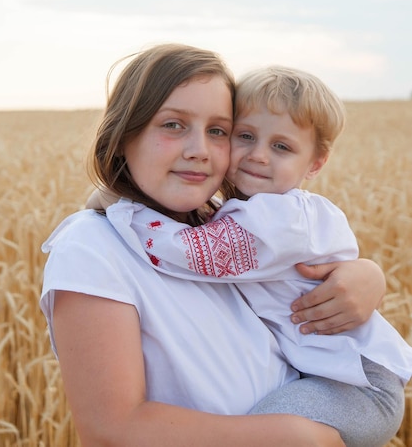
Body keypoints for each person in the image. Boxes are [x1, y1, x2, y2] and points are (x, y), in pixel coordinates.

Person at [41, 44, 387, 447]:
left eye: (218, 131)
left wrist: (367, 275)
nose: (199, 150)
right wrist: (294, 436)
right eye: (173, 125)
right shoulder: (91, 246)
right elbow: (111, 429)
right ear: (121, 136)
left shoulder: (217, 227)